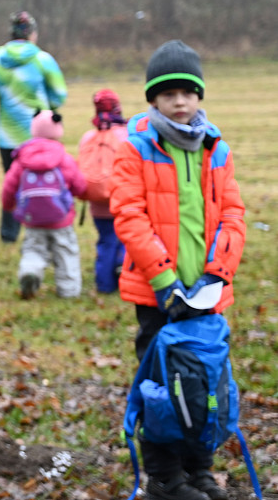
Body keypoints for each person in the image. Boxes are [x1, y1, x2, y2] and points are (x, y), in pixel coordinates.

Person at [111, 40, 245, 500]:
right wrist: (165, 281)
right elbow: (129, 216)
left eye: (188, 91)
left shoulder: (215, 148)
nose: (180, 101)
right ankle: (165, 478)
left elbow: (233, 215)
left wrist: (217, 274)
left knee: (205, 381)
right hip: (158, 294)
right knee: (163, 388)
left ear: (200, 96)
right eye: (169, 93)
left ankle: (199, 469)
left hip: (206, 293)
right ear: (153, 99)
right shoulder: (136, 147)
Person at [0, 11, 67, 243]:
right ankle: (45, 231)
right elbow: (59, 94)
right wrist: (48, 110)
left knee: (12, 184)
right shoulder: (42, 60)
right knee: (46, 183)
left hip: (8, 138)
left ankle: (9, 235)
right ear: (33, 34)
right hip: (41, 136)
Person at [1, 110, 86, 299]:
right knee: (66, 253)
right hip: (61, 218)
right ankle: (69, 291)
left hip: (32, 218)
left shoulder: (22, 157)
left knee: (33, 249)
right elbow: (79, 184)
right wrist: (82, 194)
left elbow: (9, 185)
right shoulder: (63, 157)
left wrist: (8, 206)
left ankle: (29, 270)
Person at [77, 89, 128, 293]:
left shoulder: (88, 137)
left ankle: (104, 285)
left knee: (106, 241)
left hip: (97, 202)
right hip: (123, 201)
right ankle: (123, 274)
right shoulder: (126, 134)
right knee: (126, 239)